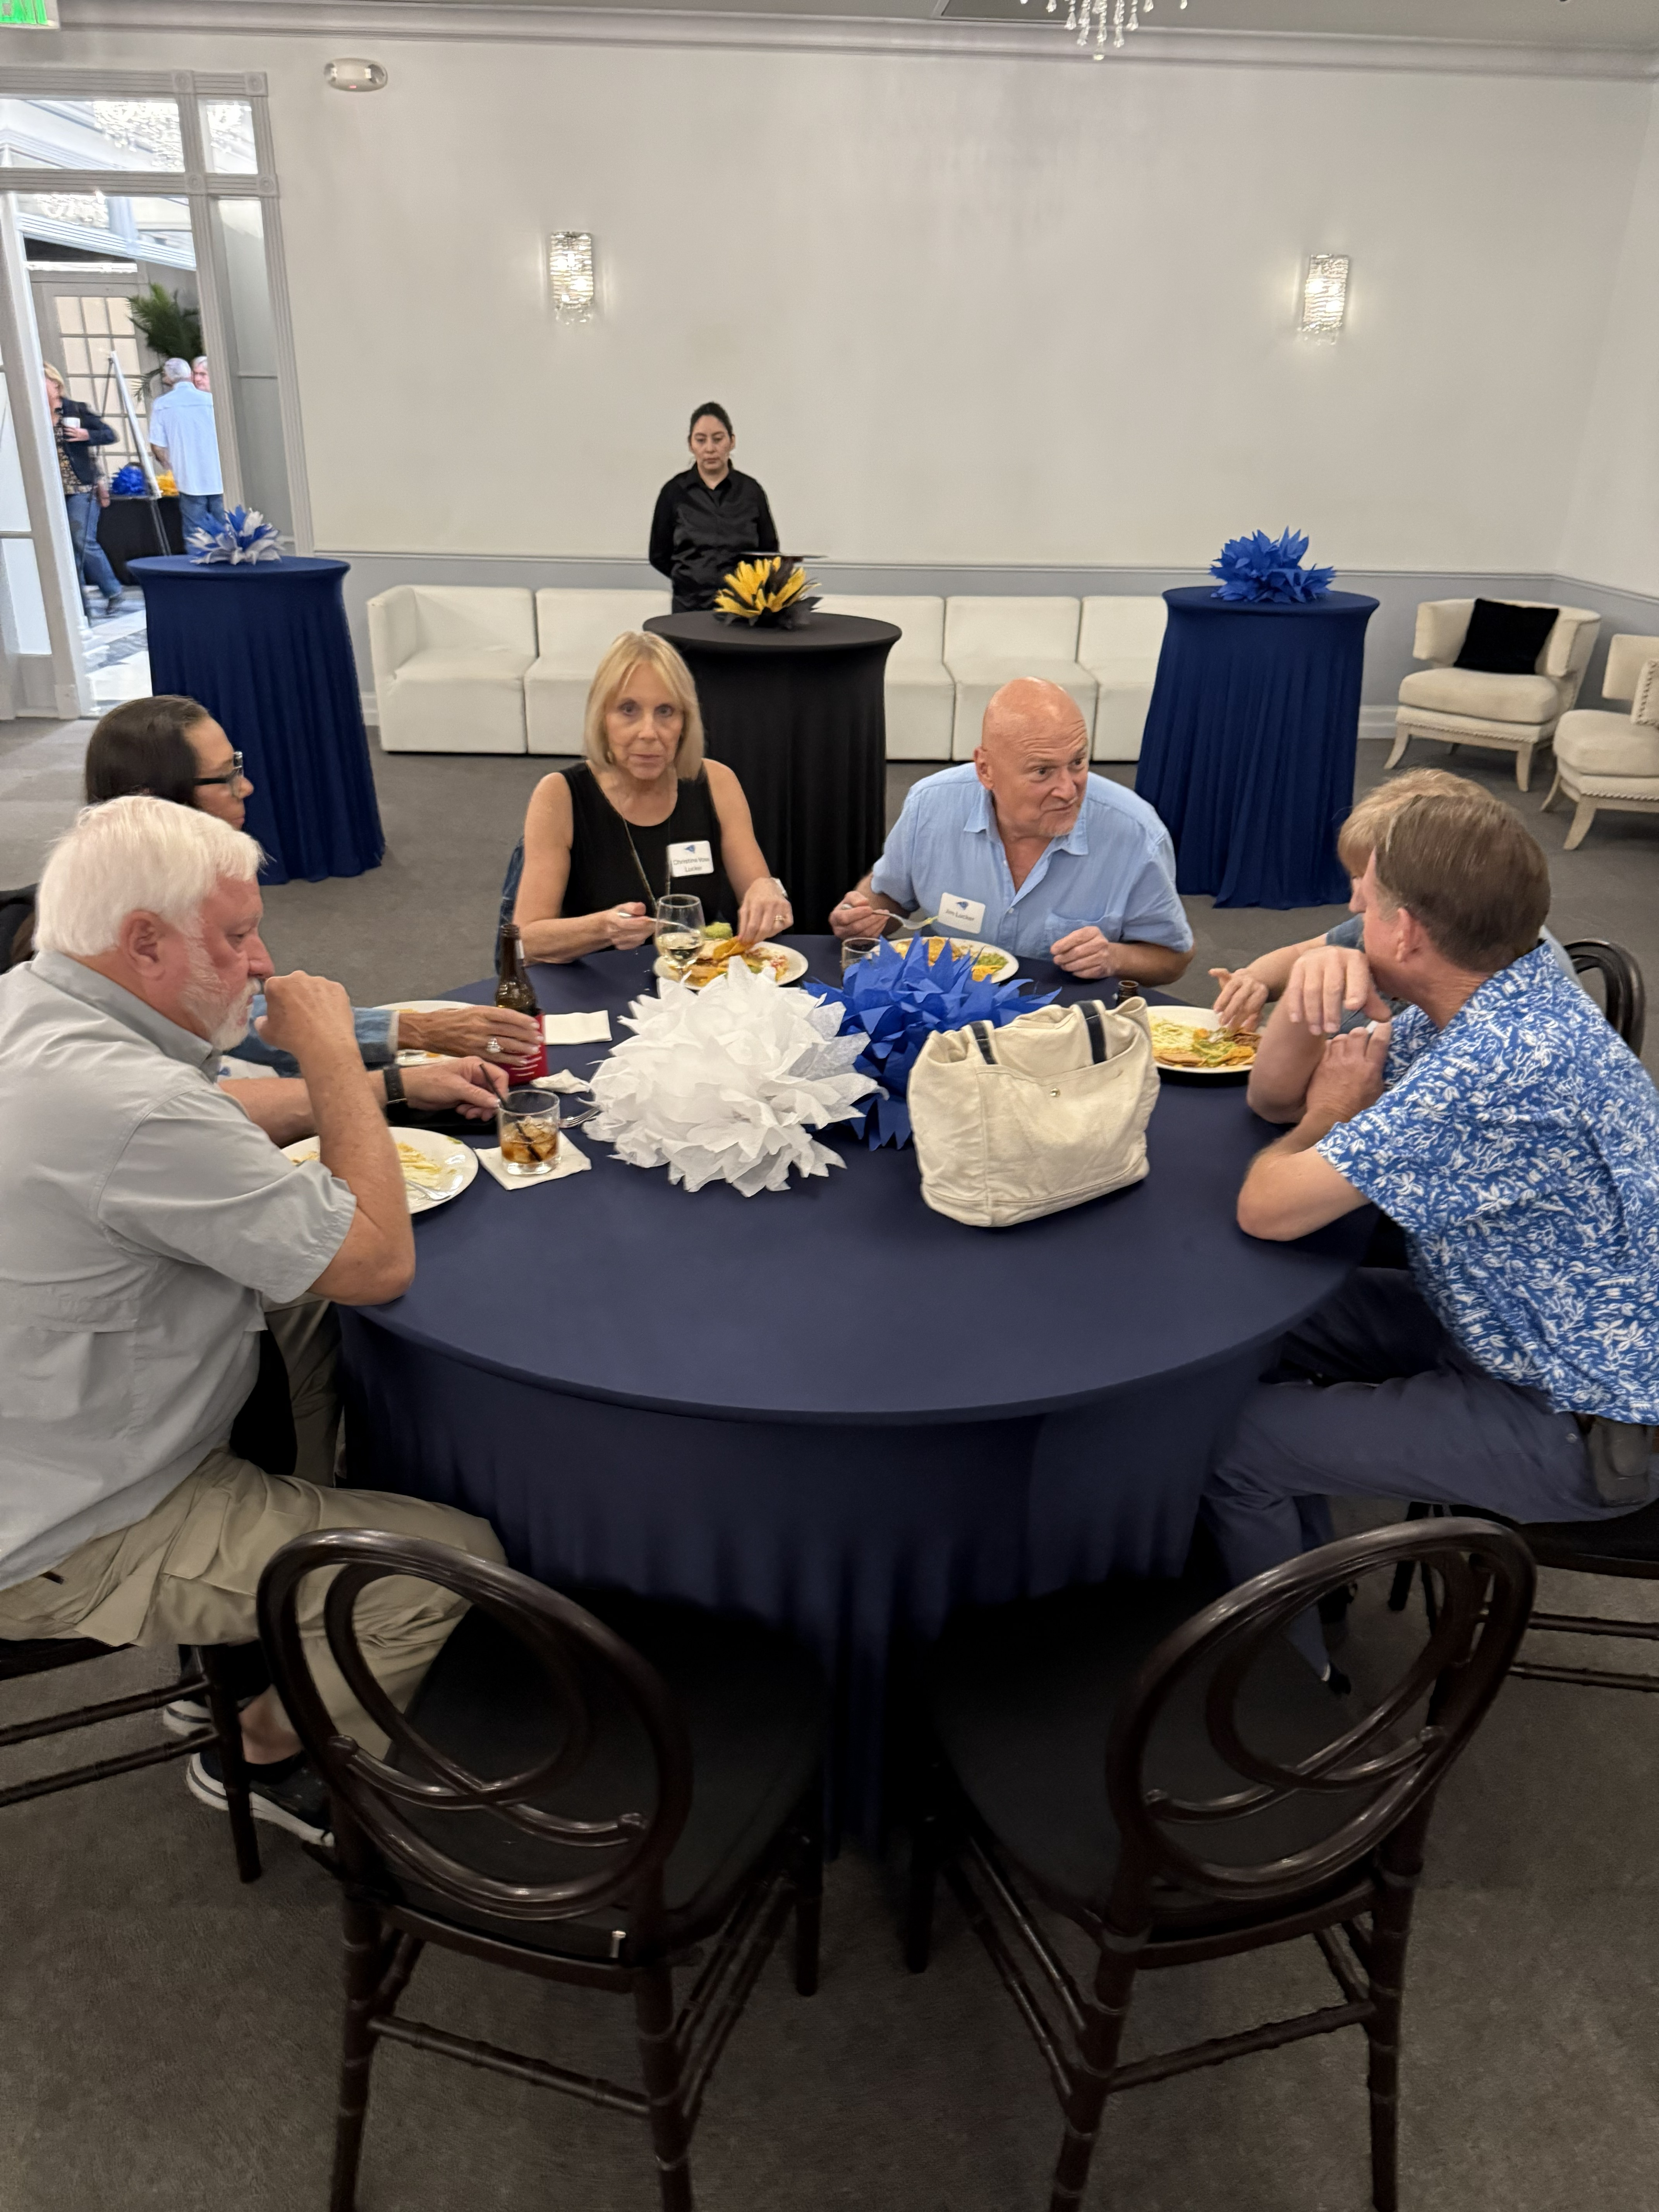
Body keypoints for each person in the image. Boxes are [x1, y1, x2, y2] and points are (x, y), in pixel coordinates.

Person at [0, 797, 508, 1844]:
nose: (263, 960)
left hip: (51, 1416)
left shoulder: (36, 1008)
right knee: (450, 1566)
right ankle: (269, 1749)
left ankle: (279, 1609)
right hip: (72, 1521)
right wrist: (333, 1059)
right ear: (144, 942)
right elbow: (374, 1259)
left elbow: (210, 1117)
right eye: (237, 936)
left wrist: (389, 1081)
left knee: (307, 1314)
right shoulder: (133, 1108)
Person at [1202, 791, 1659, 1671]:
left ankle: (1290, 1675)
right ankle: (1306, 1560)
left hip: (1577, 1419)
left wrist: (1327, 1119)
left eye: (1365, 897)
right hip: (1509, 1327)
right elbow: (1274, 1096)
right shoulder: (1505, 986)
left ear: (1406, 932)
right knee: (1251, 1324)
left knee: (1235, 1447)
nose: (1349, 907)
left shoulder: (1493, 1072)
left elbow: (1267, 1204)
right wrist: (1314, 985)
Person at [85, 695, 542, 1073]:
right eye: (226, 777)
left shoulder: (181, 870)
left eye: (238, 765)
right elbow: (234, 1022)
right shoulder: (131, 905)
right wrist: (415, 1036)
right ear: (156, 800)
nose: (247, 787)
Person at [830, 678, 1194, 984]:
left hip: (1065, 1018)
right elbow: (887, 896)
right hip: (943, 1003)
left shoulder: (1136, 833)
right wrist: (860, 916)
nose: (1068, 790)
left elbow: (1173, 958)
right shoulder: (931, 806)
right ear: (986, 770)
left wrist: (1113, 958)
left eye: (1077, 763)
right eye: (1042, 772)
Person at [1209, 768, 1577, 1037]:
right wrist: (1256, 980)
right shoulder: (1405, 916)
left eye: (1368, 883)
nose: (1355, 903)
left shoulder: (1497, 988)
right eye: (1355, 879)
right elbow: (1301, 953)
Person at [503, 630, 792, 962]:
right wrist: (603, 929)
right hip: (593, 983)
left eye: (666, 711)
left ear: (685, 721)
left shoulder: (717, 782)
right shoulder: (560, 795)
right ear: (602, 718)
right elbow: (527, 941)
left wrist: (770, 893)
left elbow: (766, 902)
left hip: (693, 980)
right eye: (628, 710)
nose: (649, 733)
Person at [648, 401, 779, 613]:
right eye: (701, 440)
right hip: (689, 609)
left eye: (718, 439)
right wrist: (690, 580)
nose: (710, 449)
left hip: (742, 610)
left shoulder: (751, 492)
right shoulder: (674, 492)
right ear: (691, 444)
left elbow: (769, 552)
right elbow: (658, 554)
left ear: (732, 441)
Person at [43, 364, 126, 620]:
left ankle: (112, 590)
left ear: (56, 385)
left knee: (81, 539)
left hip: (81, 488)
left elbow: (109, 435)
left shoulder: (76, 409)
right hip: (50, 490)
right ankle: (79, 605)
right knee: (65, 547)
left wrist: (85, 435)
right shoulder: (33, 414)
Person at [147, 357, 224, 541]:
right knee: (228, 531)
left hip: (189, 476)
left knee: (195, 535)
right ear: (189, 374)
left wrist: (168, 464)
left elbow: (157, 445)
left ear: (168, 377)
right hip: (220, 475)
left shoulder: (163, 404)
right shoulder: (212, 401)